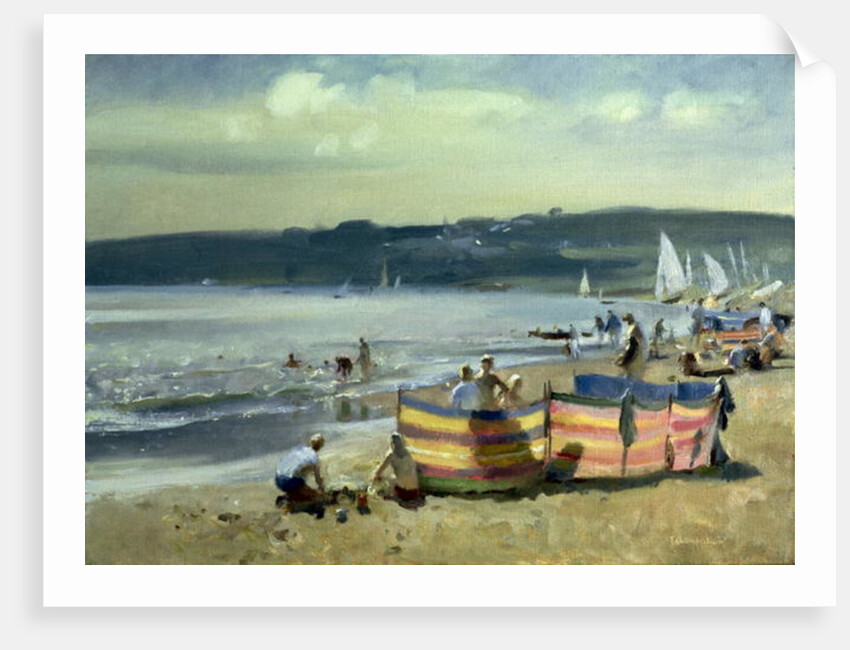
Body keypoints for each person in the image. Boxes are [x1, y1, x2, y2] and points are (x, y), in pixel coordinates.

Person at [274, 434, 327, 518]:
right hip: (291, 481)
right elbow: (318, 479)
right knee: (317, 498)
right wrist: (322, 489)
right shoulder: (314, 458)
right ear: (320, 446)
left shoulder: (300, 450)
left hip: (278, 479)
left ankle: (288, 498)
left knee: (299, 491)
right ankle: (289, 505)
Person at [371, 432, 423, 509]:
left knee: (383, 479)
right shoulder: (408, 453)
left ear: (391, 444)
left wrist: (375, 477)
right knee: (400, 476)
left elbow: (378, 472)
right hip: (414, 492)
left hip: (403, 493)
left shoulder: (391, 455)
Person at [614, 313, 646, 379]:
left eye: (627, 320)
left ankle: (630, 378)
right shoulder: (631, 326)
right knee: (624, 364)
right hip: (630, 346)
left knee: (627, 364)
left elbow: (640, 337)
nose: (626, 322)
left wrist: (640, 349)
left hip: (633, 347)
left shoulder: (635, 326)